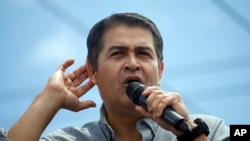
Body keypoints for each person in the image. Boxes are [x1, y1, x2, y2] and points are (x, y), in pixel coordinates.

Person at [1, 13, 229, 141]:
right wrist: (49, 97)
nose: (132, 63)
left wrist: (191, 132)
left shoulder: (213, 128)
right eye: (118, 53)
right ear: (93, 71)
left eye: (143, 53)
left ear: (160, 72)